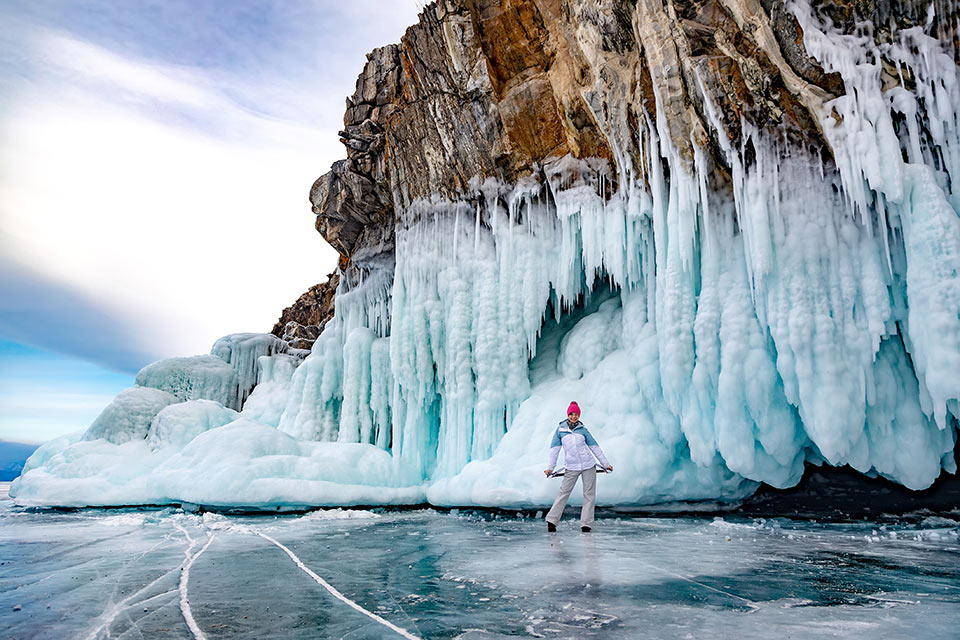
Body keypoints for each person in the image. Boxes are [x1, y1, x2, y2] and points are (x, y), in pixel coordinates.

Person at [543, 402, 613, 532]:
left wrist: (606, 464)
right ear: (568, 415)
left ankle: (586, 524)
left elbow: (594, 447)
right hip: (571, 467)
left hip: (588, 465)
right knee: (563, 493)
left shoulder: (583, 430)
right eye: (571, 414)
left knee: (589, 495)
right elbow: (554, 450)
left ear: (579, 415)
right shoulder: (560, 431)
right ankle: (551, 520)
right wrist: (550, 468)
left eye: (576, 414)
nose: (574, 417)